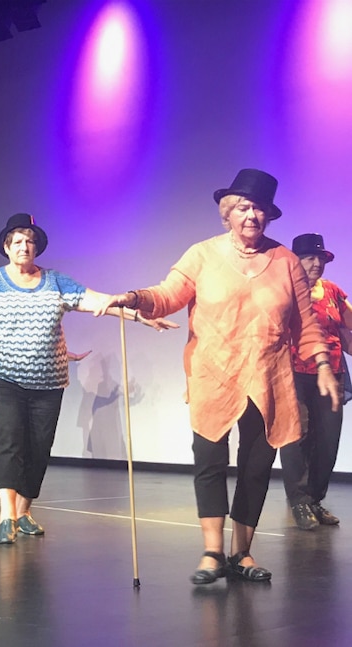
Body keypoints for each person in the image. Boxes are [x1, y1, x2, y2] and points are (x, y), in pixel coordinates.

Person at [95, 169, 342, 584]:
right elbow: (168, 294)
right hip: (215, 375)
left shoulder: (285, 262)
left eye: (260, 209)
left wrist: (322, 365)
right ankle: (212, 551)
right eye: (244, 207)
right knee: (209, 461)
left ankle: (241, 553)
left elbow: (306, 323)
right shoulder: (202, 254)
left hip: (269, 379)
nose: (252, 216)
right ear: (228, 212)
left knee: (257, 466)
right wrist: (133, 298)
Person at [0, 213, 177, 545]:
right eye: (17, 241)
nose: (24, 246)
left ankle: (24, 511)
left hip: (48, 380)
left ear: (37, 246)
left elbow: (99, 301)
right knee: (9, 439)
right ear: (6, 246)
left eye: (29, 240)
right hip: (4, 375)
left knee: (39, 448)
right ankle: (6, 516)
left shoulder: (56, 281)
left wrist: (139, 317)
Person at [280, 233, 352, 530]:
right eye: (309, 258)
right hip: (294, 374)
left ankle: (314, 500)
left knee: (327, 440)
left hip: (330, 375)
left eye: (320, 258)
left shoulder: (333, 291)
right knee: (297, 438)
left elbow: (349, 324)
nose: (316, 263)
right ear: (295, 261)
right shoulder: (285, 292)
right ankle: (298, 501)